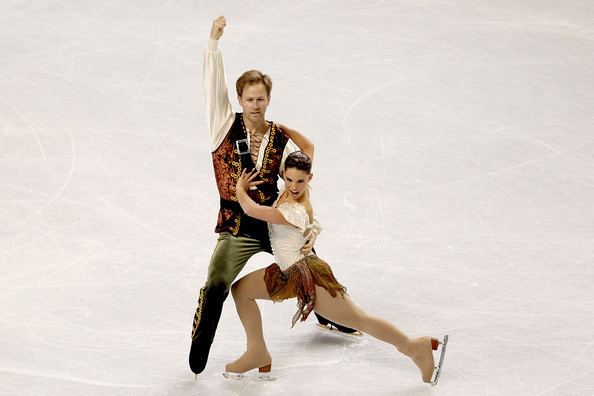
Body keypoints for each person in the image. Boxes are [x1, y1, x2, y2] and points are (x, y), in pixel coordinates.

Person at [189, 15, 356, 376]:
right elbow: (210, 88)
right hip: (236, 224)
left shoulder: (279, 136)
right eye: (248, 99)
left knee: (312, 266)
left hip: (273, 221)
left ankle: (336, 314)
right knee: (217, 280)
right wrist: (213, 43)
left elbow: (305, 161)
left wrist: (305, 221)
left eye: (260, 98)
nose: (254, 104)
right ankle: (201, 340)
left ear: (268, 99)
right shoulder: (223, 124)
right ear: (239, 99)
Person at [224, 150, 449, 385]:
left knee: (360, 319)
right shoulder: (290, 192)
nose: (293, 186)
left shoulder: (295, 208)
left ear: (309, 179)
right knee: (241, 290)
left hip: (308, 275)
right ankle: (257, 351)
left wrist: (240, 188)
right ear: (284, 174)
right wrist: (313, 231)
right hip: (285, 271)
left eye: (300, 181)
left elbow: (253, 211)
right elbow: (304, 152)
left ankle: (414, 347)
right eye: (289, 179)